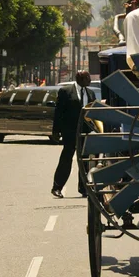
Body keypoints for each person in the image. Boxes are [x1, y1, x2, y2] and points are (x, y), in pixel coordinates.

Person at [51, 71, 96, 199]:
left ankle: (84, 188)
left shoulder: (90, 93)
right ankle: (57, 187)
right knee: (66, 159)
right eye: (87, 78)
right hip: (70, 132)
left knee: (85, 161)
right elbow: (58, 112)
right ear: (80, 79)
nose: (90, 80)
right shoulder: (66, 91)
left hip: (85, 132)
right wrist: (56, 130)